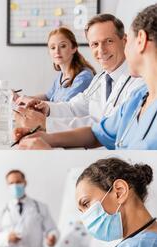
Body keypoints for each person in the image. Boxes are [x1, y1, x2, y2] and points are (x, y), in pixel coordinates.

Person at [15, 5, 157, 150]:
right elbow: (82, 114)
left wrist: (47, 125)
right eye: (95, 44)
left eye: (108, 41)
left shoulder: (140, 86)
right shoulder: (107, 81)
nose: (101, 50)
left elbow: (100, 127)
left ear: (131, 41)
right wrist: (47, 112)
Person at [33, 158, 157, 247]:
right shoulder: (143, 244)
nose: (85, 218)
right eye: (81, 211)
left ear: (119, 192)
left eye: (86, 204)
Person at [15, 27, 95, 104]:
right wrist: (21, 98)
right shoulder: (61, 76)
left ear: (74, 48)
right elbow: (47, 97)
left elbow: (65, 107)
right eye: (53, 47)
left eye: (63, 46)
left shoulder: (84, 77)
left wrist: (29, 101)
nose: (57, 51)